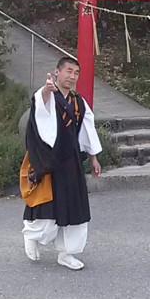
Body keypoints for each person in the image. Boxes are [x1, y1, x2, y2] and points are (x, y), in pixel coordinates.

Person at [22, 56, 102, 270]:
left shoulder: (78, 101)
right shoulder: (46, 95)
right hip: (50, 161)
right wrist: (47, 90)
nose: (72, 76)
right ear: (57, 72)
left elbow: (87, 129)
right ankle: (32, 235)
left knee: (75, 208)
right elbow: (41, 107)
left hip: (72, 161)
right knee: (47, 206)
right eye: (68, 70)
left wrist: (93, 157)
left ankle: (67, 253)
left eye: (76, 72)